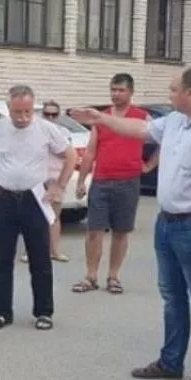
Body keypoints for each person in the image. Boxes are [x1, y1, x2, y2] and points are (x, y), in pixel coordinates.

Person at [71, 67, 191, 380]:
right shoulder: (176, 121)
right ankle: (171, 361)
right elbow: (140, 129)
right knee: (172, 297)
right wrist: (101, 119)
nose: (169, 94)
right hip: (167, 222)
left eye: (173, 89)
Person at [0, 85, 76, 332]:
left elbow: (70, 156)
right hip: (4, 198)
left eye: (27, 112)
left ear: (33, 108)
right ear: (9, 108)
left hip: (35, 199)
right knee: (0, 259)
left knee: (40, 258)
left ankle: (44, 311)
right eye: (17, 112)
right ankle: (2, 311)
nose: (23, 117)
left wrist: (59, 186)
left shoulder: (46, 129)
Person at [73, 73, 154, 295]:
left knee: (120, 231)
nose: (116, 94)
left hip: (128, 182)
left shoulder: (141, 117)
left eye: (121, 90)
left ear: (131, 92)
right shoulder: (102, 119)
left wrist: (149, 165)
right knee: (94, 231)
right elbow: (90, 152)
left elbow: (163, 141)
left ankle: (113, 276)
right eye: (113, 90)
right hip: (101, 181)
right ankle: (91, 276)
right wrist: (81, 180)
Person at [20, 100, 70, 264]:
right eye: (47, 114)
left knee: (54, 216)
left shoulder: (63, 133)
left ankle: (55, 251)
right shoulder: (33, 131)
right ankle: (30, 252)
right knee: (33, 217)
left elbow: (66, 155)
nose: (50, 118)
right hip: (36, 179)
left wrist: (61, 183)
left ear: (58, 116)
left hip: (55, 179)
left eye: (54, 114)